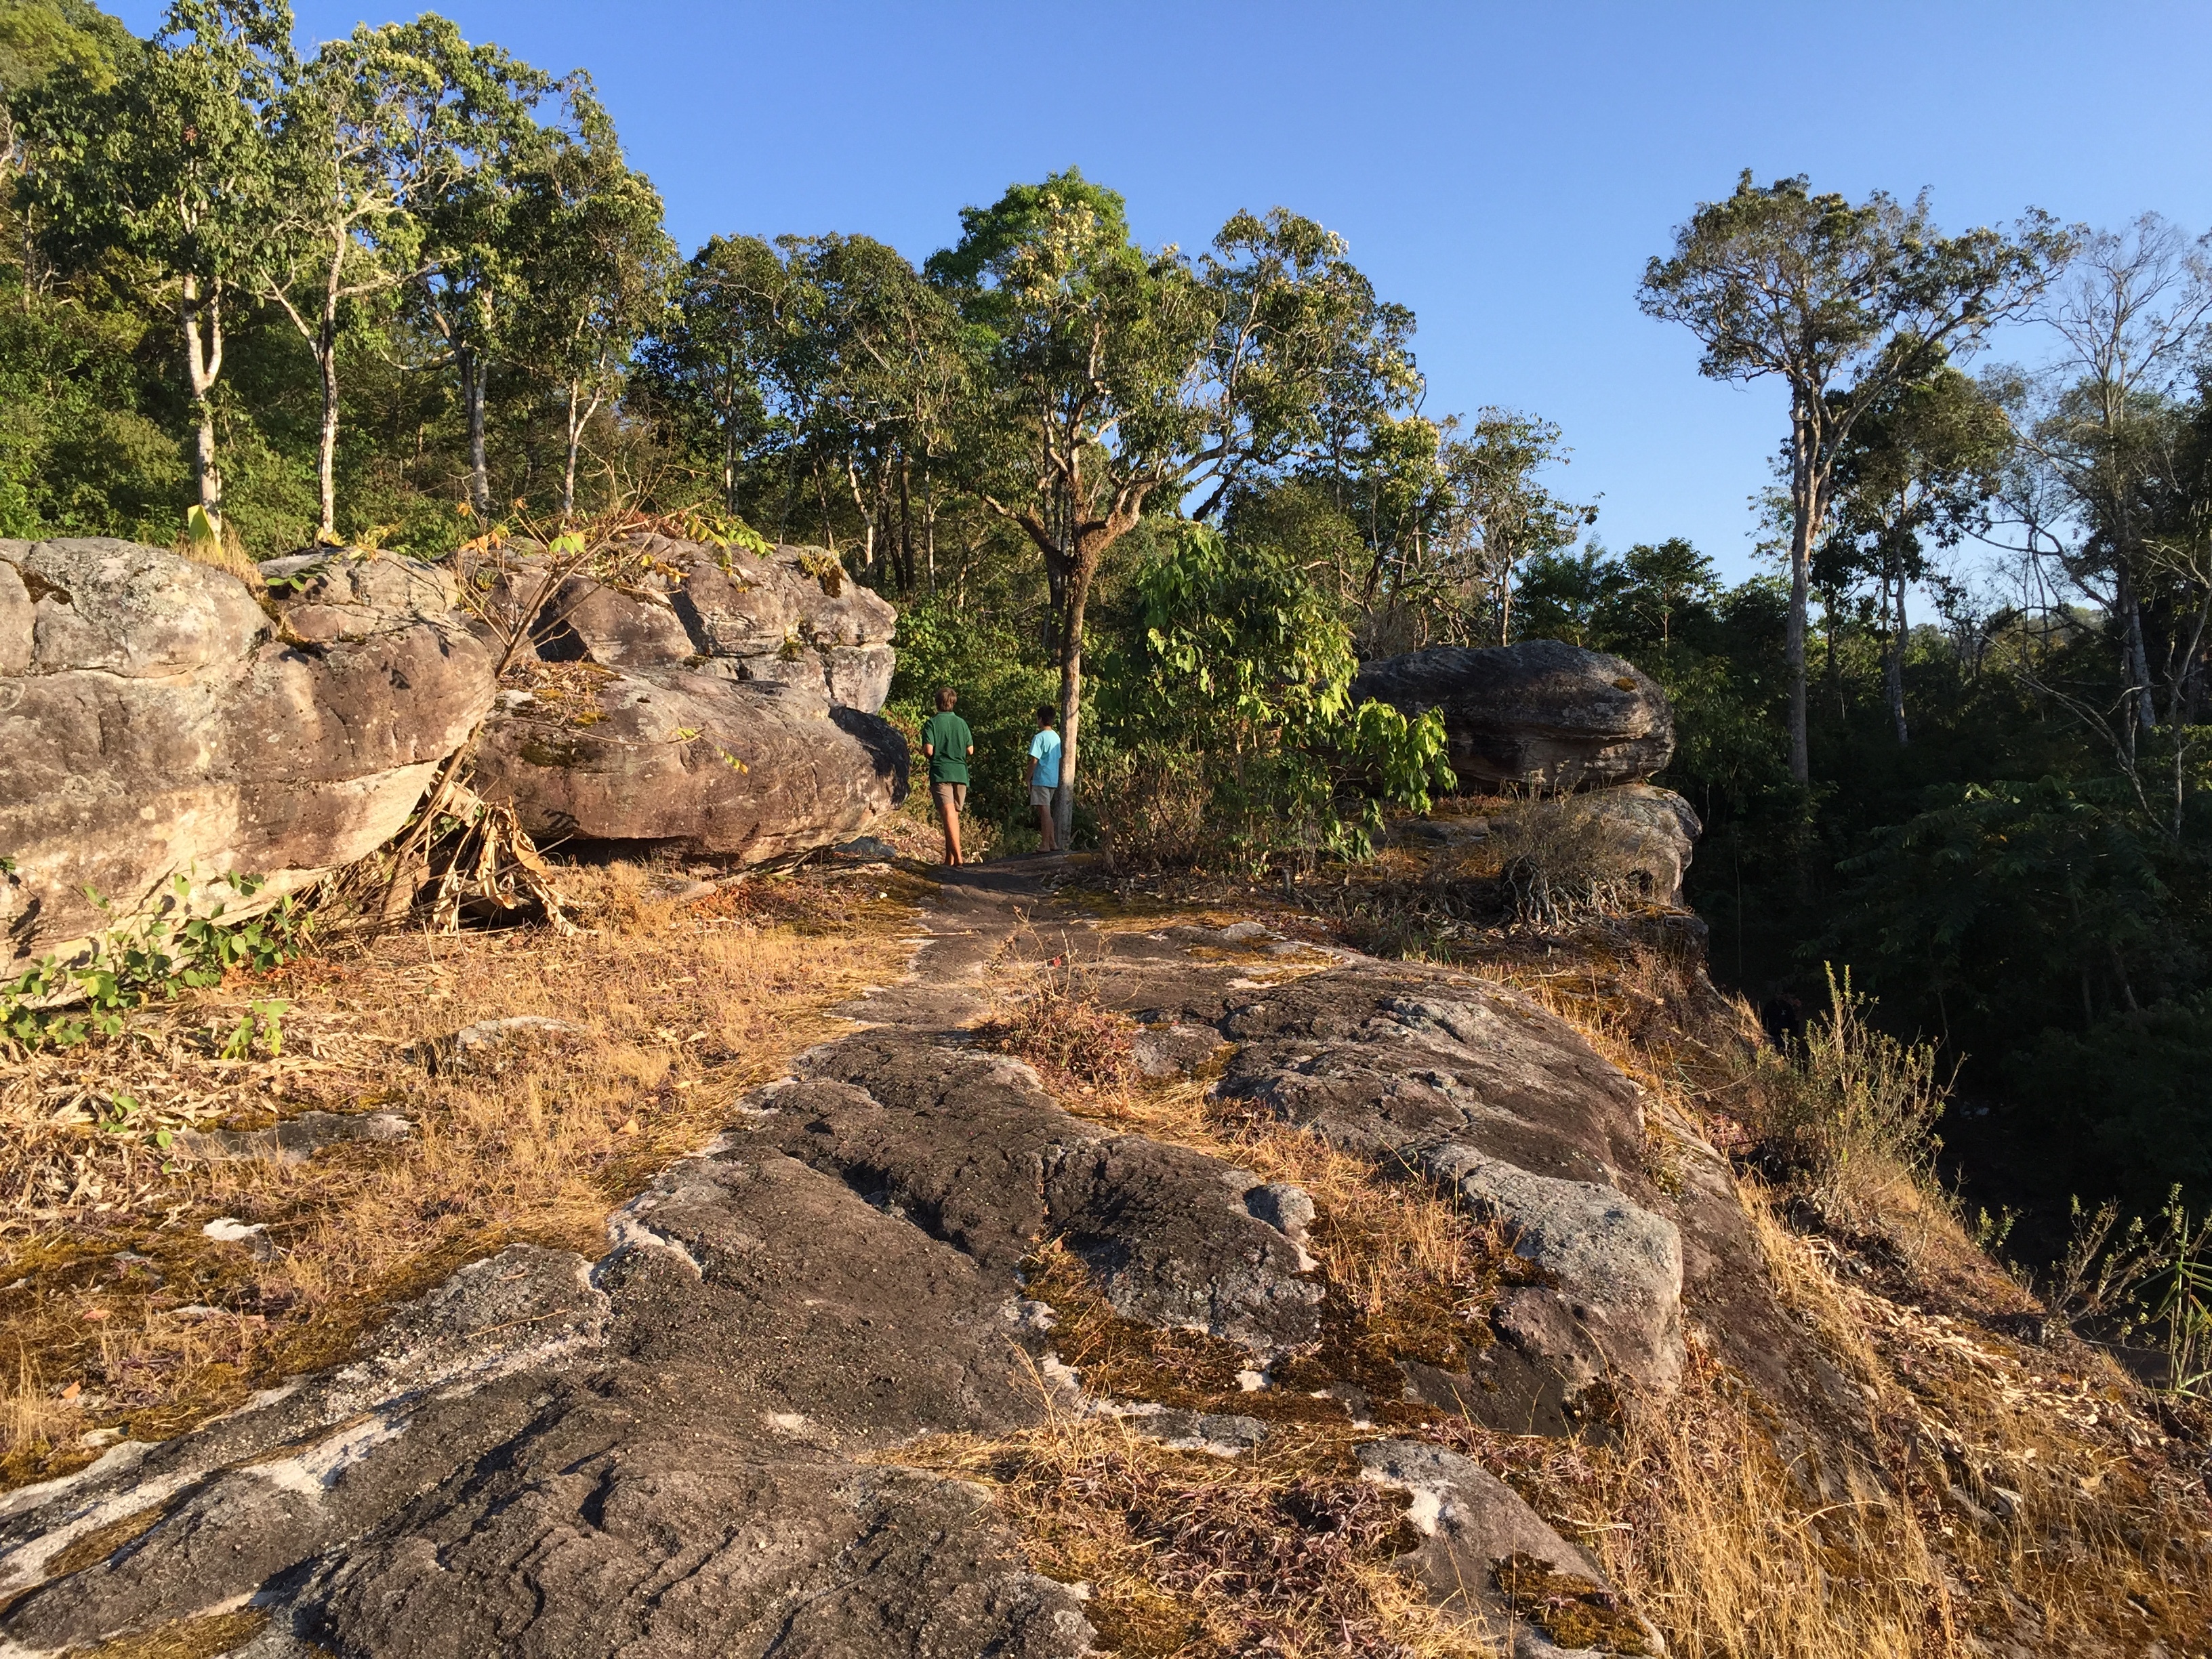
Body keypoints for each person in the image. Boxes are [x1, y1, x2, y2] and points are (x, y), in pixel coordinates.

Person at [919, 687, 974, 865]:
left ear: (937, 703)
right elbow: (970, 750)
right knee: (953, 816)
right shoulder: (962, 723)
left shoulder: (932, 723)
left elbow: (929, 750)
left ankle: (958, 858)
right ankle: (949, 859)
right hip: (960, 773)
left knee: (949, 815)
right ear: (954, 702)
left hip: (942, 772)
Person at [1027, 703, 1061, 855]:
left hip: (1041, 778)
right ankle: (1052, 842)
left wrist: (1027, 778)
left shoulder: (1039, 738)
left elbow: (1034, 760)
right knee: (1047, 811)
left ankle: (1045, 844)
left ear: (1040, 719)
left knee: (1044, 812)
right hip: (1053, 779)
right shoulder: (1056, 737)